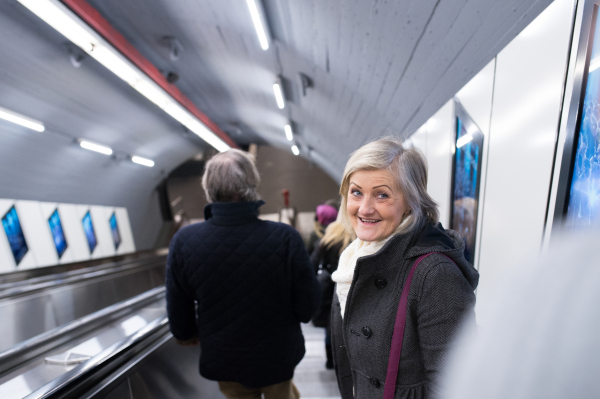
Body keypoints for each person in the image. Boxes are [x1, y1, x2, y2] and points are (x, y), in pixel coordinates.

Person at [165, 149, 321, 399]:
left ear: (209, 188)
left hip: (225, 358)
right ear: (251, 184)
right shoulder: (284, 237)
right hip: (277, 355)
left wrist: (186, 334)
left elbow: (177, 301)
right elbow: (308, 302)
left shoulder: (184, 241)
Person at [330, 137, 479, 399]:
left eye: (382, 195)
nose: (365, 208)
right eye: (356, 192)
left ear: (411, 201)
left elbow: (456, 384)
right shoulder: (354, 258)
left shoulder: (435, 274)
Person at [310, 219, 356, 369]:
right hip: (350, 287)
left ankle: (331, 359)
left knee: (330, 324)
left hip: (329, 287)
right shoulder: (354, 241)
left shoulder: (326, 241)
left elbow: (313, 263)